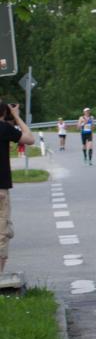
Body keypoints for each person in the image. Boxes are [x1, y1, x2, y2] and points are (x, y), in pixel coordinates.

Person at [0, 102, 35, 275]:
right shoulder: (4, 128)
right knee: (1, 233)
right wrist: (16, 116)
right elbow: (30, 139)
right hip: (0, 188)